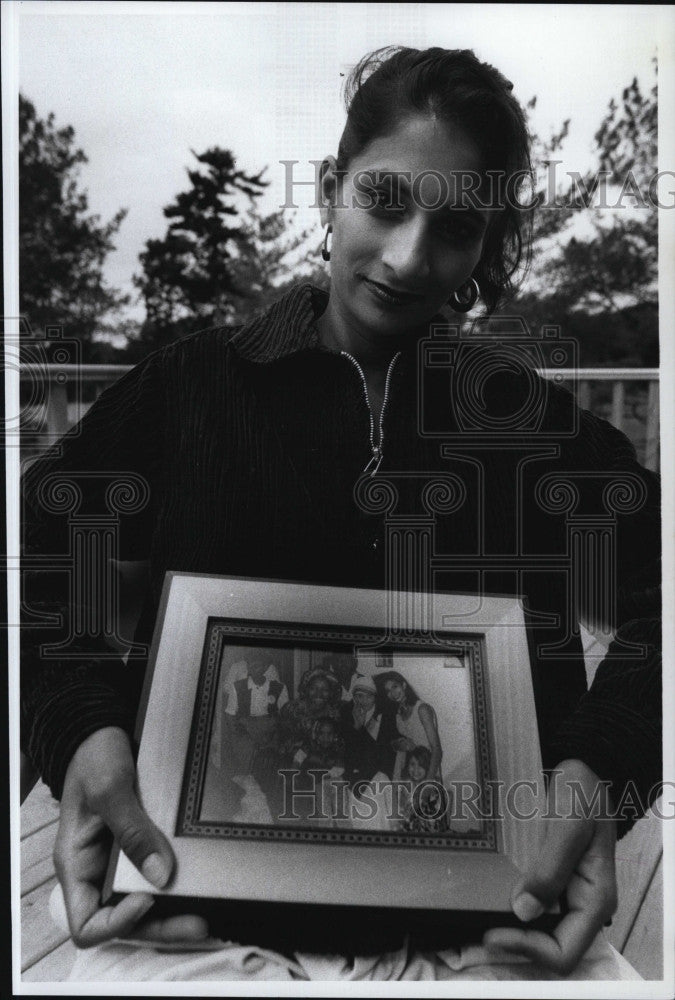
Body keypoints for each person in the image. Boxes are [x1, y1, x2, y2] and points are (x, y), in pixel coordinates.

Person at [21, 45, 659, 981]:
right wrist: (78, 722)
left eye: (455, 227)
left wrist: (601, 771)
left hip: (497, 935)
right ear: (331, 189)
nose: (409, 256)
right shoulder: (189, 391)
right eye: (386, 201)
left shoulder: (539, 433)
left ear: (486, 246)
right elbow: (41, 552)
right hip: (195, 921)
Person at [377, 670, 443, 780]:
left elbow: (436, 749)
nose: (393, 693)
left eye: (395, 687)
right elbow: (396, 745)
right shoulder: (398, 713)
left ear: (404, 685)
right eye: (388, 691)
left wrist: (429, 783)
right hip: (411, 771)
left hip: (428, 771)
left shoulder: (422, 709)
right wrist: (399, 745)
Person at [339, 673, 396, 785]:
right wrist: (357, 725)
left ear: (375, 698)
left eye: (369, 696)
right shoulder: (346, 712)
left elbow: (381, 750)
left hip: (379, 768)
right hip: (354, 768)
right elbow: (347, 747)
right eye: (360, 696)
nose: (364, 701)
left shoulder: (384, 714)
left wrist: (362, 729)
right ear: (354, 697)